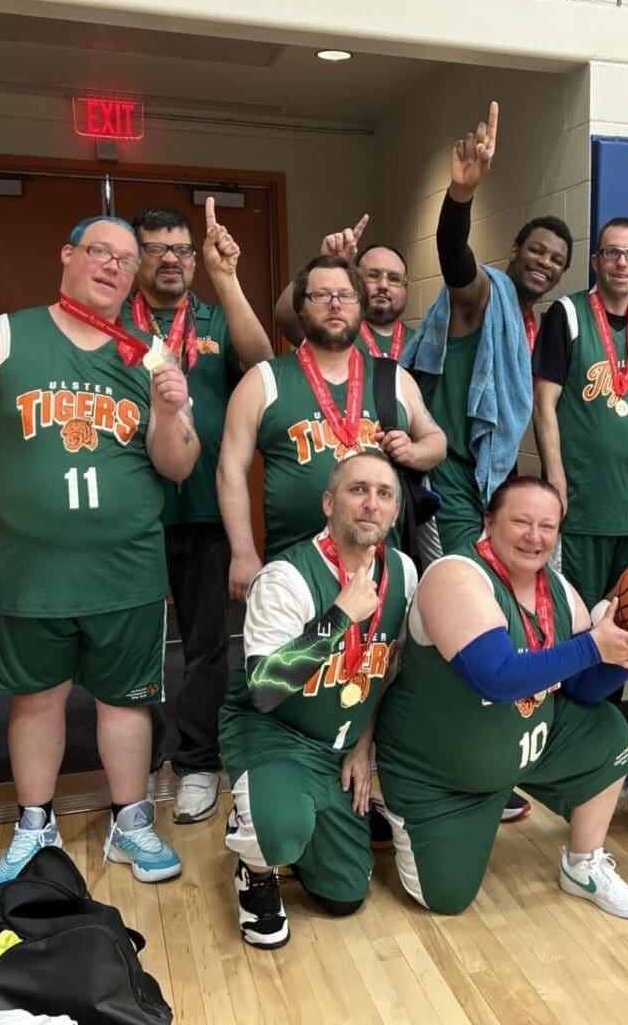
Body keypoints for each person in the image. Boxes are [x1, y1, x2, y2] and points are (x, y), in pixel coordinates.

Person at [0, 215, 198, 887]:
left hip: (126, 566)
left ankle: (131, 822)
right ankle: (35, 825)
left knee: (127, 701)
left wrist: (169, 413)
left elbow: (178, 465)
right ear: (67, 255)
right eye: (99, 252)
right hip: (33, 567)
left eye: (126, 259)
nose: (113, 266)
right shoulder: (4, 337)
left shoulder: (150, 353)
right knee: (36, 698)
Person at [372, 477, 628, 918]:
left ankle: (583, 865)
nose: (534, 536)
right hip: (439, 775)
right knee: (444, 899)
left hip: (520, 747)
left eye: (547, 526)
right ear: (489, 523)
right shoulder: (455, 575)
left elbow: (582, 688)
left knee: (605, 727)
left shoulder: (559, 591)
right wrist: (593, 646)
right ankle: (405, 815)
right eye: (521, 522)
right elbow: (494, 677)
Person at [219, 450, 417, 949]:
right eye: (358, 490)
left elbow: (383, 673)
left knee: (345, 894)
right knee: (280, 832)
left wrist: (363, 747)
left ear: (395, 512)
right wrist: (339, 617)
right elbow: (265, 688)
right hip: (274, 733)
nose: (371, 504)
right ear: (329, 503)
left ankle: (272, 811)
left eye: (384, 494)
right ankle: (256, 869)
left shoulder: (404, 572)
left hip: (338, 745)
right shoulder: (285, 577)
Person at [127, 200, 273, 825]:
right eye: (156, 248)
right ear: (136, 256)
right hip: (135, 513)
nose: (171, 259)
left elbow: (262, 358)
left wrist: (226, 277)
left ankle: (196, 762)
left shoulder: (214, 316)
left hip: (209, 511)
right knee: (132, 647)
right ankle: (134, 764)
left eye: (181, 249)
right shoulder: (114, 321)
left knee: (208, 646)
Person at [401, 101, 574, 560]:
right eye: (537, 250)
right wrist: (462, 192)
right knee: (462, 579)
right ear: (515, 251)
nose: (545, 262)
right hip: (448, 473)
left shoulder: (532, 323)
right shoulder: (484, 295)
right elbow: (454, 256)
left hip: (492, 476)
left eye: (556, 260)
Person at [218, 255, 445, 599]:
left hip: (379, 567)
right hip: (293, 571)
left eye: (346, 295)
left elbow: (437, 442)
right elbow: (230, 469)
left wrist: (413, 451)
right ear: (300, 307)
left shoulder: (393, 377)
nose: (335, 304)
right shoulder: (263, 380)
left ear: (361, 306)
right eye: (321, 295)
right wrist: (242, 551)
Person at [532, 216, 628, 614]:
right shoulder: (566, 314)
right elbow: (543, 403)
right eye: (612, 252)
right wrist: (555, 479)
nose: (621, 262)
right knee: (576, 617)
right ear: (596, 261)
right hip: (581, 508)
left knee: (627, 620)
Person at [273, 215, 413, 360]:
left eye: (394, 278)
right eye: (372, 275)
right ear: (355, 282)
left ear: (406, 286)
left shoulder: (421, 342)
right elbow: (285, 316)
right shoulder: (333, 328)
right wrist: (327, 263)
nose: (383, 285)